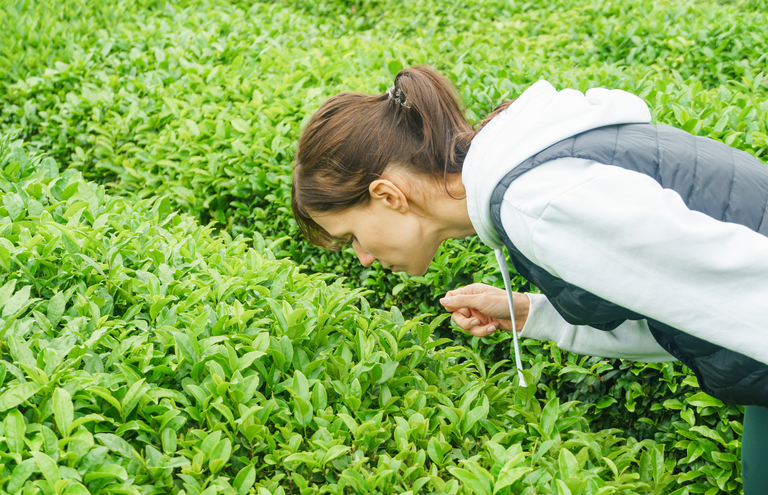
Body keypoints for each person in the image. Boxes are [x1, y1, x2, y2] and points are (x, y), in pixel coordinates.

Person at [290, 65, 768, 493]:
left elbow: (751, 294)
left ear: (388, 195)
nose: (363, 258)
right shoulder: (528, 177)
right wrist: (529, 313)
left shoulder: (537, 204)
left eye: (351, 235)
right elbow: (691, 312)